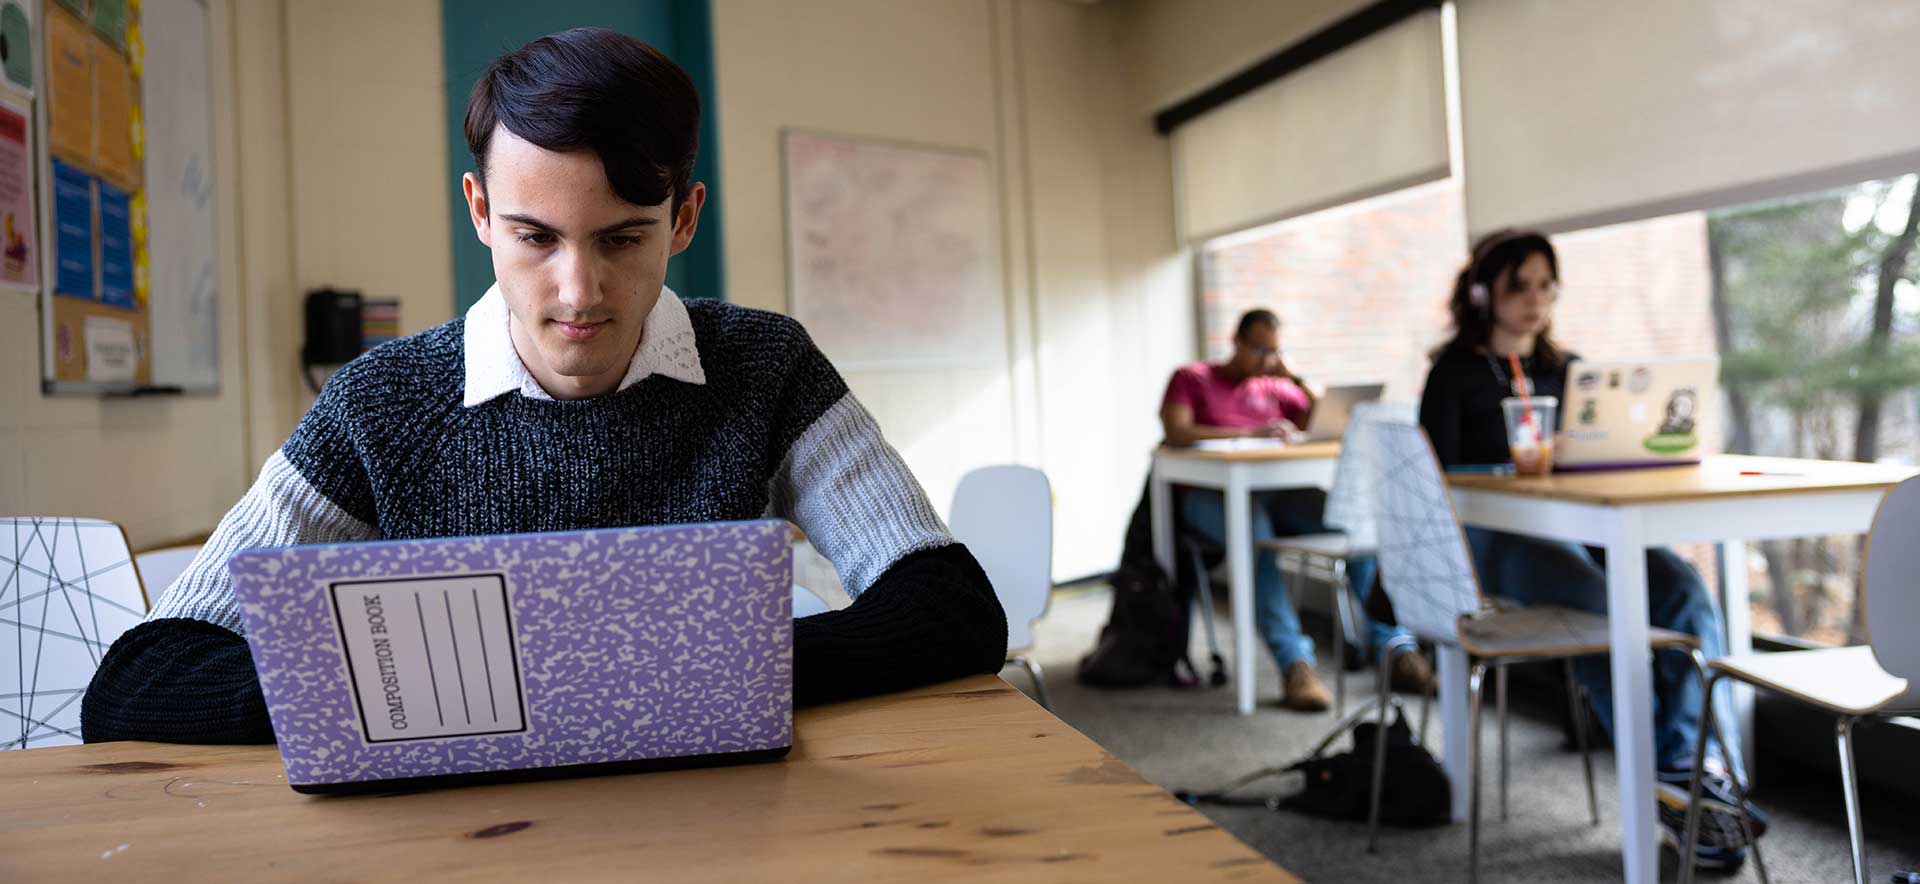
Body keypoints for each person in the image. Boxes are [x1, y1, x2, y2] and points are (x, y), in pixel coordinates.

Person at [81, 28, 1007, 744]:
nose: (578, 292)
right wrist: (439, 690)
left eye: (622, 237)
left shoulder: (766, 366)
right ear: (480, 212)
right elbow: (143, 679)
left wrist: (702, 674)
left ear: (682, 219)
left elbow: (948, 606)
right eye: (535, 237)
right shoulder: (381, 404)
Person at [1418, 230, 1766, 871]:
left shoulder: (1572, 370)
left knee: (1684, 590)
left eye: (1545, 284)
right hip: (1492, 540)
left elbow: (1595, 452)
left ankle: (1693, 767)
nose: (1535, 299)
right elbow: (1436, 480)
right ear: (1482, 293)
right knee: (1606, 608)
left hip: (1579, 523)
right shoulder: (1453, 375)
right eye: (1518, 285)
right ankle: (1680, 788)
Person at [1161, 309, 1428, 712]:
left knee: (1352, 521)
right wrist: (1248, 433)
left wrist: (1295, 376)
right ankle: (1295, 663)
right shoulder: (1192, 377)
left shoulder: (1276, 385)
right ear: (1236, 341)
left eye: (1274, 351)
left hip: (1277, 494)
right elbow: (1176, 430)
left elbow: (1333, 419)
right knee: (1254, 531)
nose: (1267, 359)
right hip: (1207, 496)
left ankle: (1394, 646)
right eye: (1259, 349)